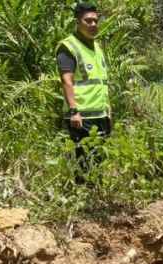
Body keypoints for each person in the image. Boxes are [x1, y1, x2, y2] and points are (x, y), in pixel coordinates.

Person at [56, 2, 111, 183]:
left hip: (100, 115)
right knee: (83, 162)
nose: (93, 25)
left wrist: (108, 109)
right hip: (81, 117)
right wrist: (73, 111)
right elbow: (67, 80)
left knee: (98, 161)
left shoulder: (97, 48)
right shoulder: (68, 47)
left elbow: (101, 82)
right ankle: (83, 201)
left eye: (95, 21)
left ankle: (96, 199)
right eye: (88, 21)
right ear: (78, 22)